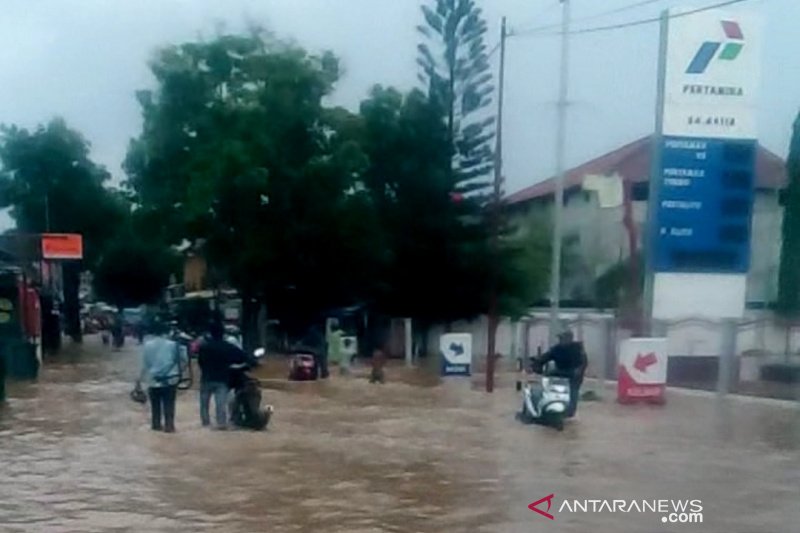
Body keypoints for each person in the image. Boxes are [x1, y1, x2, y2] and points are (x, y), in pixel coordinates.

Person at [197, 321, 247, 430]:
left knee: (204, 404)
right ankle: (221, 423)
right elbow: (243, 357)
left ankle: (205, 423)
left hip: (206, 378)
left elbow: (200, 362)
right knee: (221, 404)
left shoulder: (204, 347)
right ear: (223, 333)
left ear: (210, 333)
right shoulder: (228, 346)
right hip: (222, 379)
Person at [137, 321, 185, 432]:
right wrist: (179, 372)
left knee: (155, 408)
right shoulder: (173, 345)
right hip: (170, 380)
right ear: (166, 332)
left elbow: (145, 365)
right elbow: (183, 360)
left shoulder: (147, 345)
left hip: (153, 381)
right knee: (169, 405)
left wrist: (139, 381)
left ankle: (156, 426)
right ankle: (169, 426)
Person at [536, 328, 587, 418]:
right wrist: (536, 364)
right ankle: (544, 404)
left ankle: (570, 412)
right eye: (560, 338)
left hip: (574, 375)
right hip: (560, 373)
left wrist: (579, 370)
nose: (561, 340)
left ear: (570, 338)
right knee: (547, 375)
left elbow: (584, 362)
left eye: (563, 338)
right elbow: (545, 357)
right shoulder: (556, 349)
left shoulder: (578, 348)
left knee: (573, 392)